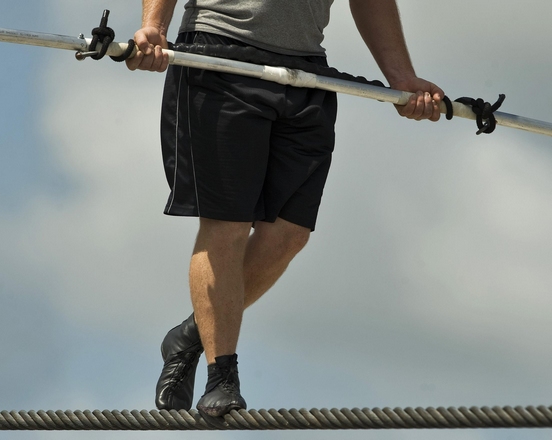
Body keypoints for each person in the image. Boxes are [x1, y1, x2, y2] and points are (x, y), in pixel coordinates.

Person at [126, 0, 444, 419]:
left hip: (306, 70)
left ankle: (191, 333)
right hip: (218, 57)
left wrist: (401, 78)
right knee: (229, 225)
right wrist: (154, 27)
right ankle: (222, 377)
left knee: (289, 234)